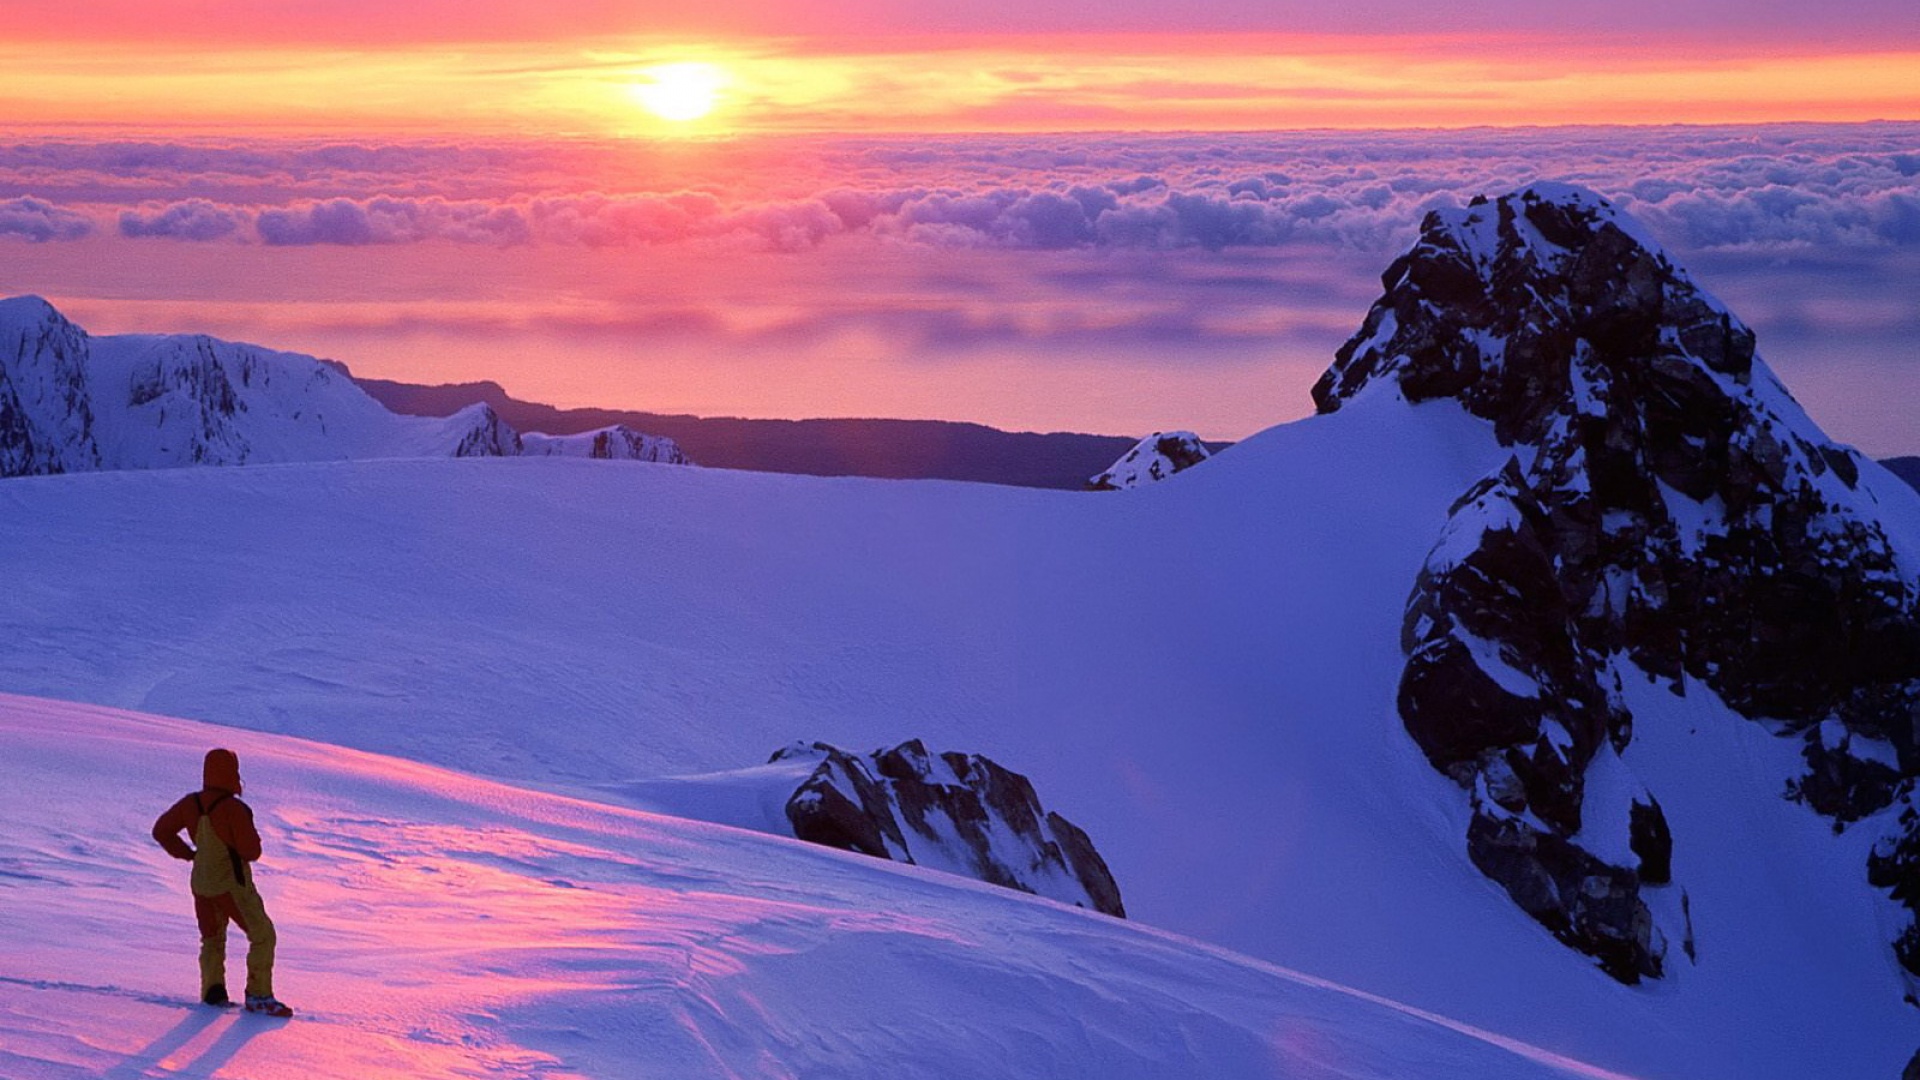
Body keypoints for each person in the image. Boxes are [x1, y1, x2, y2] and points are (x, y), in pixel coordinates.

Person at [151, 748, 293, 1017]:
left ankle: (212, 992)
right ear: (232, 773)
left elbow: (161, 831)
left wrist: (189, 854)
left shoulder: (190, 803)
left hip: (201, 883)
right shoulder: (234, 809)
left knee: (212, 938)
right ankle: (259, 995)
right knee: (263, 935)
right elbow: (251, 851)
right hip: (231, 885)